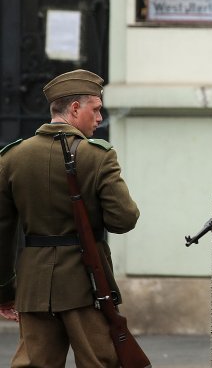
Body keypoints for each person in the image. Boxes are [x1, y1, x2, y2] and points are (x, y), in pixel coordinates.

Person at [0, 69, 140, 367]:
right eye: (97, 109)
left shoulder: (12, 158)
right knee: (98, 362)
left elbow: (2, 232)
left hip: (34, 286)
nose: (100, 117)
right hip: (86, 283)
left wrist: (5, 290)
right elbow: (124, 219)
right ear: (75, 108)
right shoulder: (97, 155)